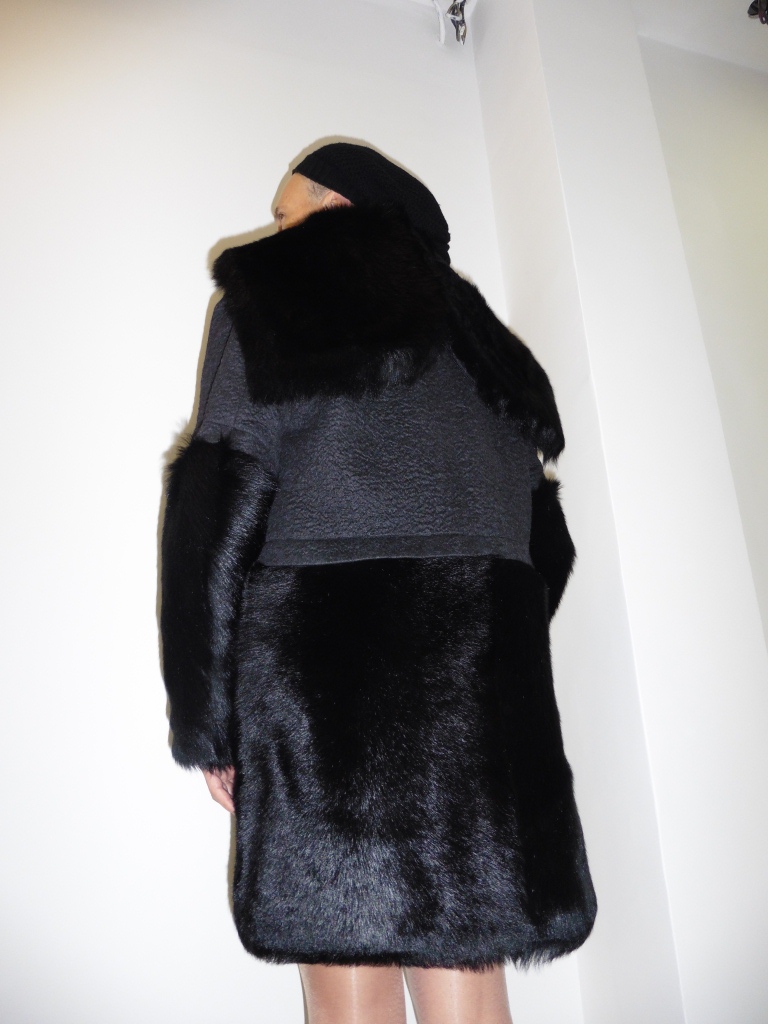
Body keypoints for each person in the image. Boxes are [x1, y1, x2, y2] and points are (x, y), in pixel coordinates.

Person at [159, 141, 597, 1024]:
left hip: (330, 707)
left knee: (348, 979)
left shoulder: (272, 301)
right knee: (469, 984)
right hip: (484, 714)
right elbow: (547, 547)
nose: (276, 233)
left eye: (287, 213)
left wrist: (209, 721)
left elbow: (215, 515)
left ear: (341, 211)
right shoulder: (488, 348)